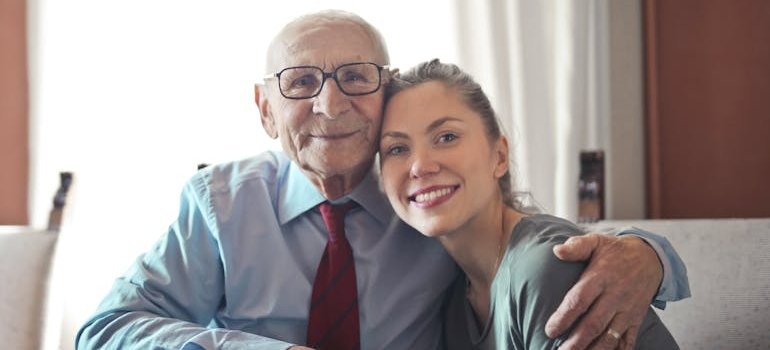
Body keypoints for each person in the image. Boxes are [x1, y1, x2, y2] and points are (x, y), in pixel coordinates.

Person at [75, 10, 689, 350]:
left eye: (355, 77)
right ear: (266, 110)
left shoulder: (425, 203)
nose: (330, 102)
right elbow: (104, 329)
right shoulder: (220, 206)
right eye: (299, 83)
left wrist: (649, 254)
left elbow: (534, 249)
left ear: (382, 94)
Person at [379, 59, 678, 349]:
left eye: (446, 137)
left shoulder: (546, 269)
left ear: (499, 157)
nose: (419, 166)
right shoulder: (455, 293)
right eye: (396, 148)